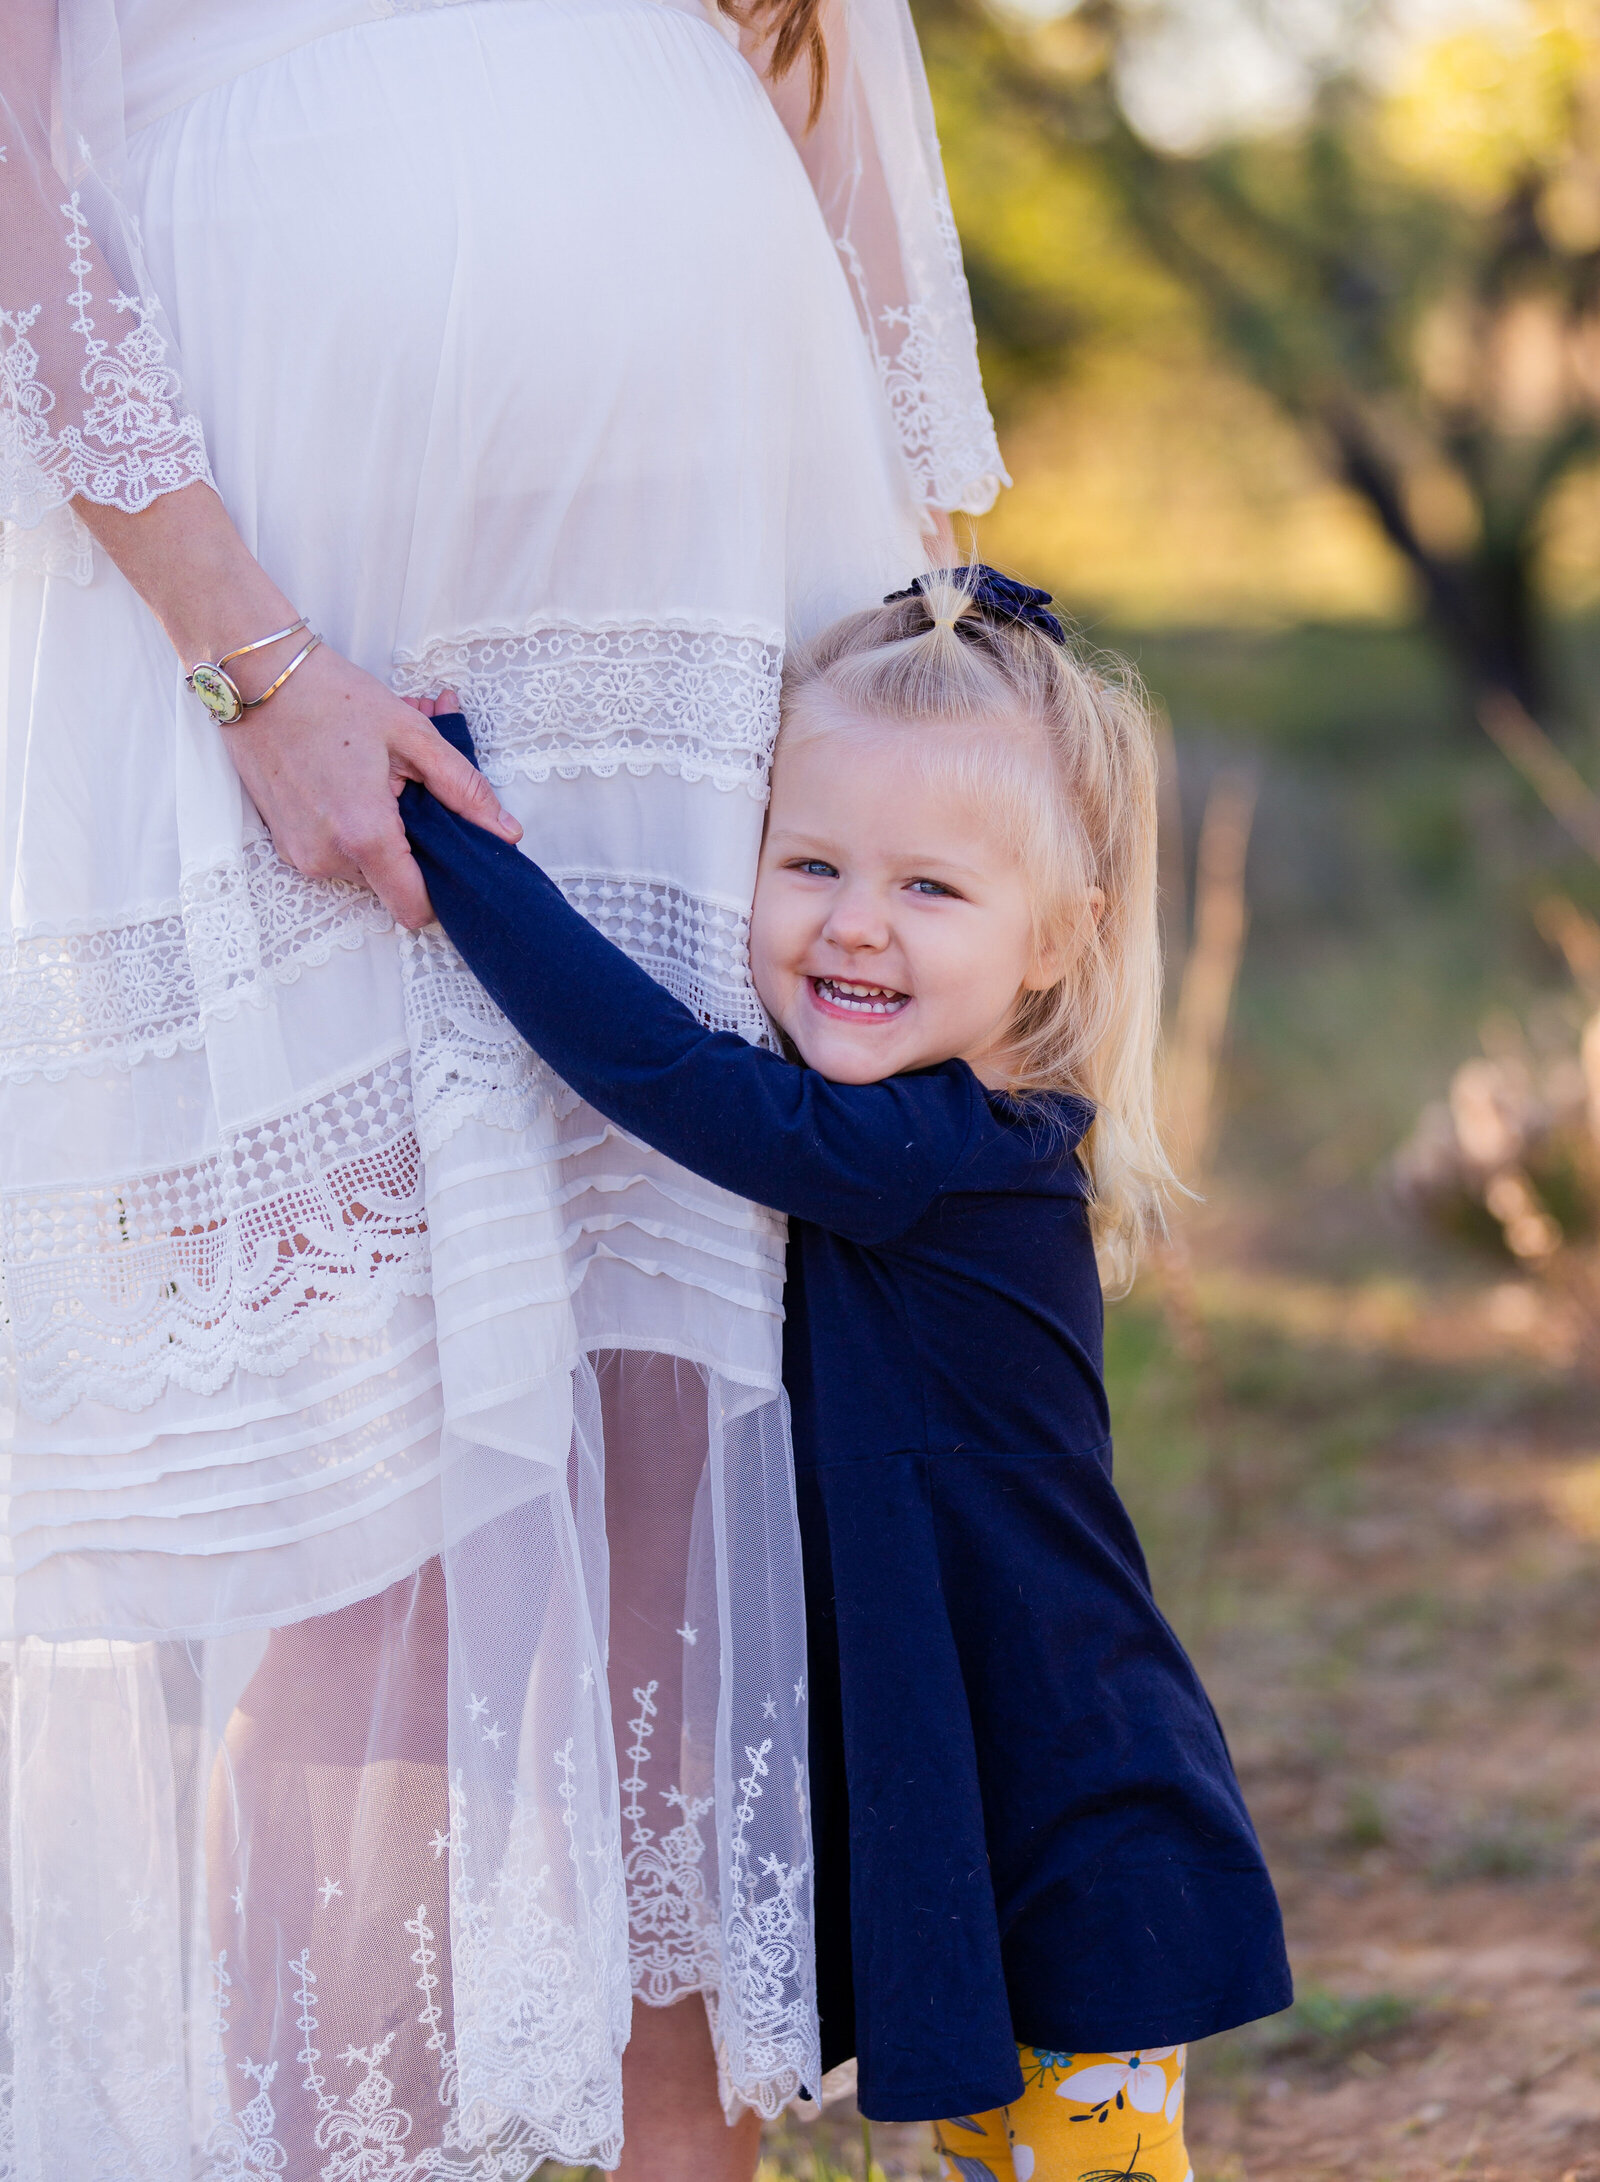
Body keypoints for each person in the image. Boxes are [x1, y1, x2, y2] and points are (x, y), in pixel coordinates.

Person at [0, 0, 1005, 2174]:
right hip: (292, 567)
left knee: (676, 1446)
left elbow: (824, 68)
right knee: (356, 1501)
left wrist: (945, 645)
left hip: (716, 569)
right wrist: (250, 656)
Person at [398, 567, 1296, 2182]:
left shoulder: (947, 1156)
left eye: (931, 888)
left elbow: (670, 1076)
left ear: (1056, 942)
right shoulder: (922, 1139)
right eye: (809, 863)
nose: (855, 921)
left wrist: (449, 833)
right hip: (978, 1787)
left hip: (1067, 1800)